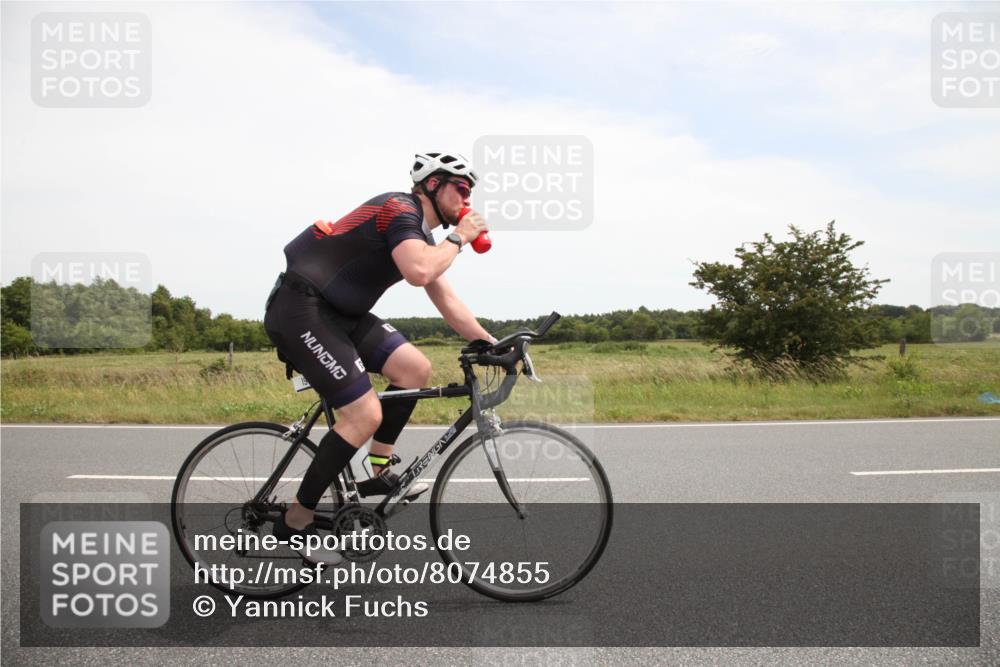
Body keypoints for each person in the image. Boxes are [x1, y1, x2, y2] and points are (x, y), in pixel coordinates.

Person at [263, 152, 494, 564]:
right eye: (460, 188)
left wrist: (492, 344)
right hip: (302, 308)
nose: (466, 197)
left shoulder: (421, 237)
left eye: (470, 192)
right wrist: (459, 236)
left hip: (342, 315)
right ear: (432, 185)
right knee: (363, 415)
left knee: (414, 368)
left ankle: (378, 468)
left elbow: (447, 301)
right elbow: (419, 272)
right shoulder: (398, 210)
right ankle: (295, 521)